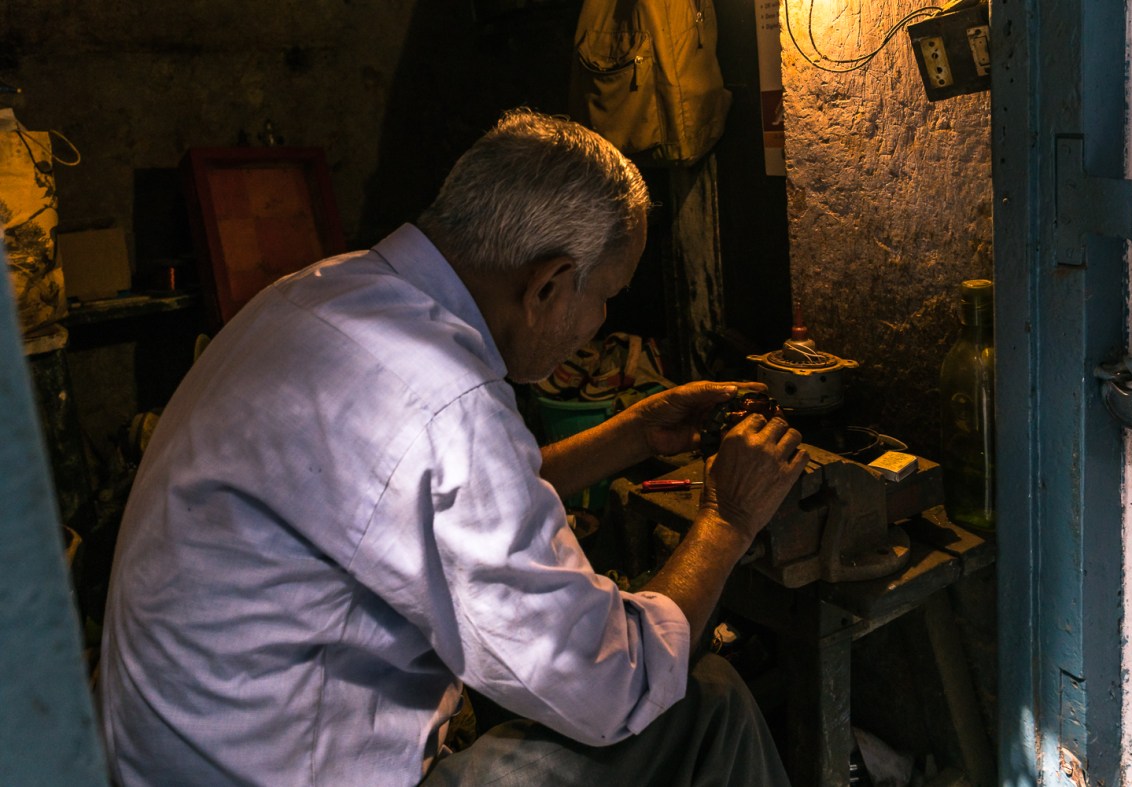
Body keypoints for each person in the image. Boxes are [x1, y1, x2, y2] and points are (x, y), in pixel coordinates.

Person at [99, 108, 808, 786]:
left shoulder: (315, 293)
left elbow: (421, 505)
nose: (599, 322)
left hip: (170, 752)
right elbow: (615, 686)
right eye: (606, 297)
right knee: (704, 700)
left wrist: (632, 432)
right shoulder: (447, 401)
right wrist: (727, 519)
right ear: (550, 284)